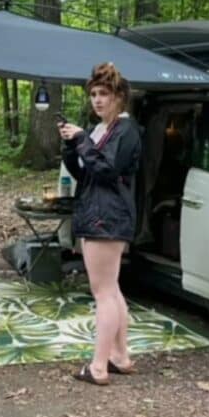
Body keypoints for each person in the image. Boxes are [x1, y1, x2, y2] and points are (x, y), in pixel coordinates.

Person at [59, 62, 143, 385]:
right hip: (101, 213)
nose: (97, 100)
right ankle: (120, 356)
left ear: (119, 97)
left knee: (103, 293)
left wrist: (82, 141)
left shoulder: (125, 131)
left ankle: (98, 366)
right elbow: (86, 172)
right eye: (93, 94)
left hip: (107, 217)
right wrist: (73, 145)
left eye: (104, 94)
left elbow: (107, 170)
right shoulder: (100, 131)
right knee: (113, 290)